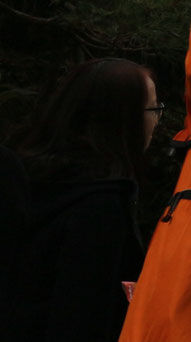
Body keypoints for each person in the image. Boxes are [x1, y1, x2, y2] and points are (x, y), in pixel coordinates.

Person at [0, 58, 158, 342]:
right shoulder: (101, 206)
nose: (157, 121)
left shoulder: (21, 177)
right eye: (154, 109)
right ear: (124, 118)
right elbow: (83, 317)